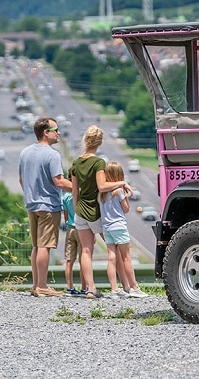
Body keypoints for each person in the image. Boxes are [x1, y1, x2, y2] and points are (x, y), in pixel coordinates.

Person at [68, 125, 130, 300]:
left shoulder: (76, 163)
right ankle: (124, 286)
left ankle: (90, 289)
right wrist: (121, 183)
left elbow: (75, 192)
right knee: (114, 248)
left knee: (86, 251)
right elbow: (102, 186)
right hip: (95, 212)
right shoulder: (98, 163)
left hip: (80, 211)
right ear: (100, 142)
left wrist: (76, 210)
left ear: (85, 141)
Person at [18, 117, 72, 297]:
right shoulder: (52, 154)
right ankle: (42, 286)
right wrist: (80, 188)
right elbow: (59, 181)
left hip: (31, 205)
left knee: (36, 246)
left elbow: (21, 180)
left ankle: (36, 284)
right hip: (48, 206)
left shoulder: (25, 152)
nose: (58, 133)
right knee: (45, 246)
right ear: (45, 132)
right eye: (55, 130)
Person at [101, 161, 147, 298]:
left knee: (111, 258)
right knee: (126, 257)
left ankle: (114, 289)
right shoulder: (119, 191)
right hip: (119, 226)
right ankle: (134, 287)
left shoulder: (102, 193)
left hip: (106, 227)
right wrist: (126, 195)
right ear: (119, 175)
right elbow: (126, 209)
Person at [61, 190, 83, 296]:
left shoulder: (66, 196)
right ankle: (84, 287)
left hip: (70, 229)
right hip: (81, 229)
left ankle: (70, 287)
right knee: (83, 259)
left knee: (69, 260)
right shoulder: (80, 195)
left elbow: (65, 215)